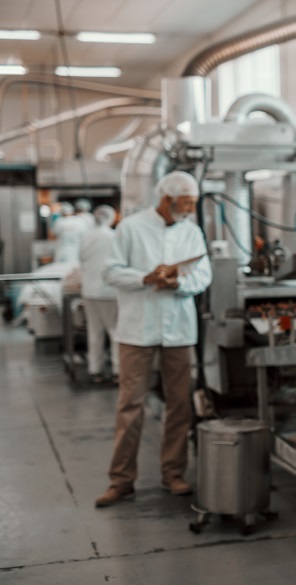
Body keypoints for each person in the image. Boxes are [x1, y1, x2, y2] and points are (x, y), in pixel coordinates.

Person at [95, 170, 212, 508]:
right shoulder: (130, 228)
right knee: (130, 405)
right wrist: (145, 278)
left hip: (179, 330)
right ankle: (121, 481)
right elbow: (110, 271)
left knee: (180, 403)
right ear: (167, 199)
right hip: (137, 331)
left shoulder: (192, 232)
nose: (190, 209)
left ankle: (173, 473)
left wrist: (178, 284)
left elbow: (202, 275)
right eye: (185, 203)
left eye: (192, 202)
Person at [78, 205, 120, 384]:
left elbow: (81, 258)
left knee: (95, 332)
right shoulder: (114, 236)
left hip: (89, 290)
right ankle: (118, 370)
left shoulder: (87, 236)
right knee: (115, 331)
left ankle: (95, 370)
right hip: (109, 291)